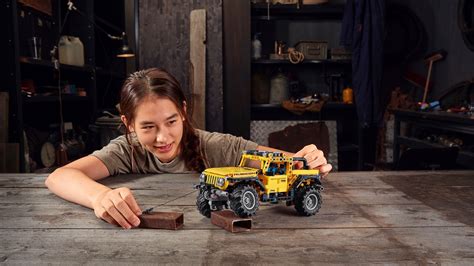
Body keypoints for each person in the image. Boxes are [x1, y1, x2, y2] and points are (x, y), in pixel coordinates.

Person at [45, 68, 332, 229]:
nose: (162, 137)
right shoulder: (125, 150)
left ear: (183, 111)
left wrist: (308, 158)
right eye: (147, 127)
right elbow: (58, 177)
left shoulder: (217, 147)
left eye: (171, 121)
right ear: (128, 124)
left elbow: (285, 162)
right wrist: (101, 197)